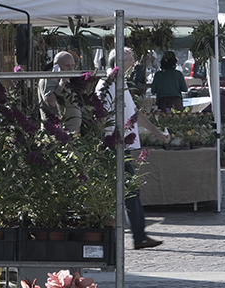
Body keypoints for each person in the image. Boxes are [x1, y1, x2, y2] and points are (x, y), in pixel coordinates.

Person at [99, 48, 174, 250]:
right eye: (132, 59)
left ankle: (138, 235)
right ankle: (137, 236)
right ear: (121, 62)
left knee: (128, 191)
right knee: (129, 191)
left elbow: (134, 115)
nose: (134, 63)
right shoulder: (110, 84)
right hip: (115, 146)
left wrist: (158, 133)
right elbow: (102, 115)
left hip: (120, 144)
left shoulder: (119, 82)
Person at [39, 50, 81, 134]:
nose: (70, 69)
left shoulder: (68, 80)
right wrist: (61, 85)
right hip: (56, 133)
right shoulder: (48, 79)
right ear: (56, 65)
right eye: (67, 66)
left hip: (72, 133)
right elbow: (50, 102)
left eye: (73, 66)